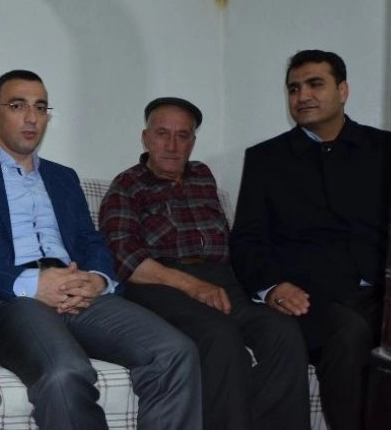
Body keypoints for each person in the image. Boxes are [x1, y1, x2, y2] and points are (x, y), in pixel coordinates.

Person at [0, 69, 202, 430]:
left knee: (175, 352)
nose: (32, 117)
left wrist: (97, 279)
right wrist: (33, 284)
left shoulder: (63, 177)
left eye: (40, 107)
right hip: (8, 300)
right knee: (65, 372)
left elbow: (90, 240)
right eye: (18, 106)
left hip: (78, 291)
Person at [98, 97, 310, 430]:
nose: (172, 145)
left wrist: (269, 287)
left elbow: (236, 245)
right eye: (162, 134)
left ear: (192, 142)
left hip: (223, 281)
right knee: (219, 337)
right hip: (161, 285)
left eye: (182, 136)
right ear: (146, 138)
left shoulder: (202, 176)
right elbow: (125, 259)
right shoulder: (127, 185)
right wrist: (193, 286)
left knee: (283, 331)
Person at [230, 49, 391, 430]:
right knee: (349, 335)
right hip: (313, 299)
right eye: (294, 88)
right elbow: (247, 239)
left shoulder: (383, 148)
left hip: (382, 291)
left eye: (315, 84)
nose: (302, 96)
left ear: (343, 90)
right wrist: (272, 287)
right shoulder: (266, 158)